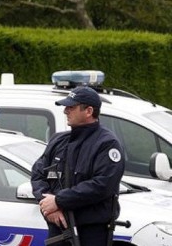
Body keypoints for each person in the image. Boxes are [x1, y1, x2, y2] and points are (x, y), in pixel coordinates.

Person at [31, 86, 125, 246]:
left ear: (88, 111)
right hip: (58, 229)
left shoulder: (107, 144)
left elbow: (102, 185)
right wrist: (49, 206)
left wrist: (59, 201)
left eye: (71, 107)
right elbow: (38, 175)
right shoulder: (58, 141)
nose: (65, 111)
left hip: (90, 233)